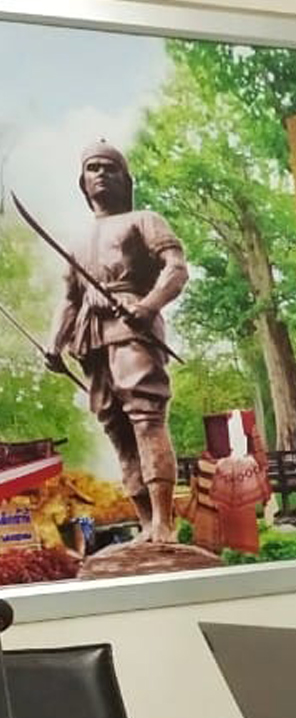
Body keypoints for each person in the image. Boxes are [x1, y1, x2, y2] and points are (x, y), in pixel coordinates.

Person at [45, 141, 189, 543]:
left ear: (126, 180)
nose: (101, 174)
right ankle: (145, 521)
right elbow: (70, 298)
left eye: (109, 168)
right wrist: (54, 343)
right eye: (93, 168)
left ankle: (164, 523)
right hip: (91, 340)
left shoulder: (145, 220)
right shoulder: (77, 241)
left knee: (145, 418)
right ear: (83, 182)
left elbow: (176, 269)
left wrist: (147, 306)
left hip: (133, 329)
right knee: (116, 427)